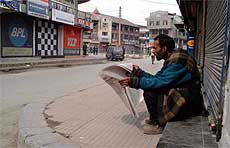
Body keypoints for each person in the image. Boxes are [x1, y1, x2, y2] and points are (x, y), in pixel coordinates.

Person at [119, 34, 206, 135]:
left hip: (190, 103)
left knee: (150, 91)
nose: (153, 51)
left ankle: (159, 124)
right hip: (185, 95)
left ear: (164, 49)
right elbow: (157, 78)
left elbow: (160, 83)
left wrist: (135, 82)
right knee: (152, 87)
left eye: (155, 48)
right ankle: (155, 119)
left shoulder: (178, 61)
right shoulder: (171, 59)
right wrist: (139, 72)